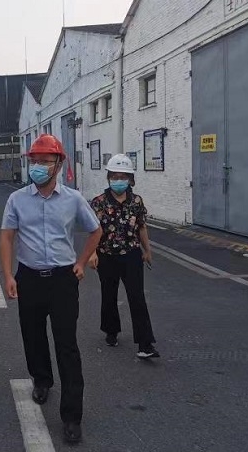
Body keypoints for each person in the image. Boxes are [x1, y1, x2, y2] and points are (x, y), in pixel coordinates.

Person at [0, 134, 102, 444]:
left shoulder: (73, 199)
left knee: (66, 344)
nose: (39, 166)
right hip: (29, 277)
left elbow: (95, 230)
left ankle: (72, 416)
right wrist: (8, 275)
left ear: (59, 164)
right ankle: (41, 380)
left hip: (62, 280)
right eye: (35, 160)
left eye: (45, 161)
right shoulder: (17, 199)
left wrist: (81, 262)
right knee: (32, 335)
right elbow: (7, 237)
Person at [88, 154, 159, 359]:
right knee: (109, 294)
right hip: (106, 255)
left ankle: (145, 344)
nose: (119, 180)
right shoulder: (99, 202)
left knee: (137, 297)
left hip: (131, 255)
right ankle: (111, 331)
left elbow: (142, 227)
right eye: (115, 176)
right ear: (109, 177)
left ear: (130, 179)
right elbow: (94, 230)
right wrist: (92, 253)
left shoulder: (136, 201)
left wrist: (147, 251)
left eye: (123, 176)